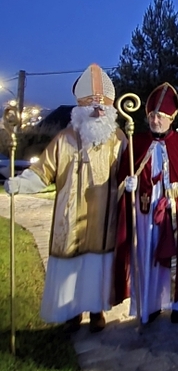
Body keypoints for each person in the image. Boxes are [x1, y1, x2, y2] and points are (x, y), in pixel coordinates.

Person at [4, 65, 125, 332]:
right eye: (92, 107)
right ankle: (72, 312)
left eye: (102, 108)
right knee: (71, 263)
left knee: (97, 264)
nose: (98, 112)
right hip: (69, 217)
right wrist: (19, 184)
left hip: (103, 217)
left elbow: (130, 171)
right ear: (80, 109)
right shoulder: (64, 139)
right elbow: (43, 171)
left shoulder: (118, 140)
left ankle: (96, 311)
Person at [114, 82, 178, 324]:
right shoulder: (137, 143)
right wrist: (127, 184)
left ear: (171, 118)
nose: (155, 120)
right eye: (152, 116)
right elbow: (121, 179)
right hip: (144, 212)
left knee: (177, 256)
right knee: (147, 256)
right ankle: (150, 304)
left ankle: (177, 304)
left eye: (161, 116)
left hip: (175, 213)